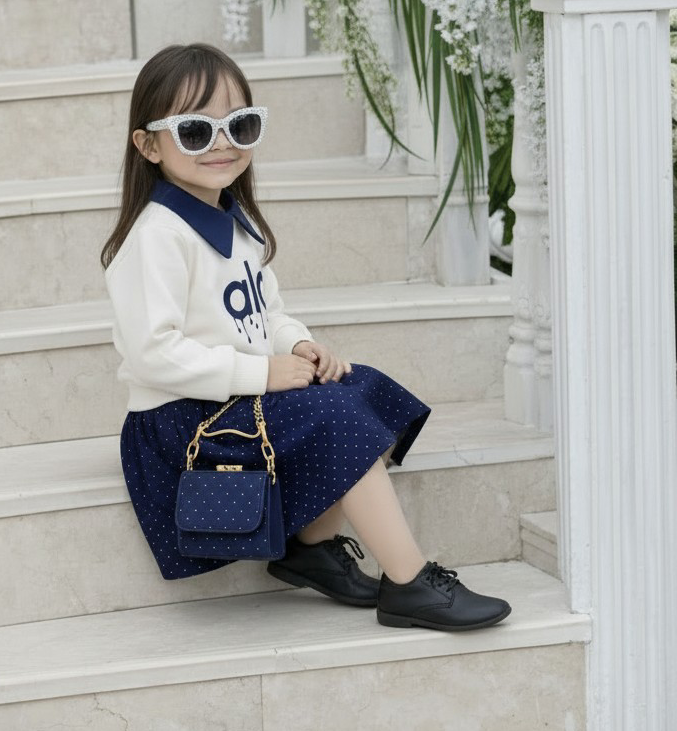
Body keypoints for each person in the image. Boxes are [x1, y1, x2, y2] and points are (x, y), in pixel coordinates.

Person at [101, 42, 511, 631]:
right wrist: (262, 373)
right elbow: (153, 354)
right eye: (195, 131)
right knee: (335, 418)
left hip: (235, 400)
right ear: (148, 146)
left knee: (364, 389)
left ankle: (312, 549)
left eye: (239, 125)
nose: (222, 143)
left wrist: (295, 346)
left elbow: (267, 312)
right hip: (183, 421)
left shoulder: (234, 220)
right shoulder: (157, 237)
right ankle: (409, 582)